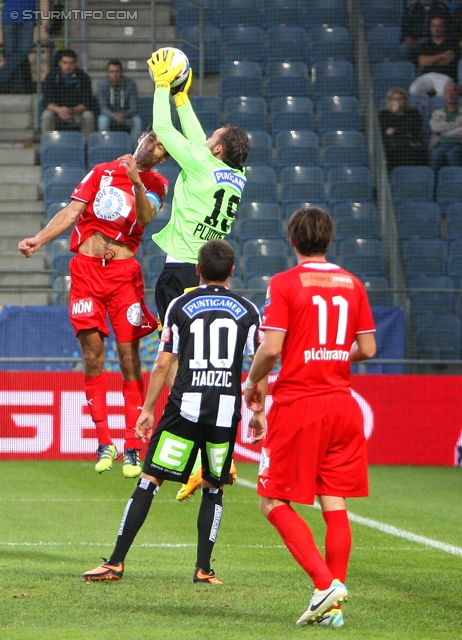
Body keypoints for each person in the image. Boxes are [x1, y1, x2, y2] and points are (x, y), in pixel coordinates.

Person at [82, 239, 266, 584]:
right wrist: (258, 409)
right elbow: (260, 363)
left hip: (184, 407)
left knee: (150, 479)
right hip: (224, 412)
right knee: (214, 486)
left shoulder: (181, 304)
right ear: (232, 271)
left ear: (197, 270)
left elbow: (164, 360)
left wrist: (148, 409)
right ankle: (204, 569)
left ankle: (116, 562)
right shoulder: (249, 310)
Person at [244, 206, 376, 628]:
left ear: (292, 240)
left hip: (301, 404)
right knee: (332, 501)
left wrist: (252, 383)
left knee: (271, 500)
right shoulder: (352, 283)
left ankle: (324, 584)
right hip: (342, 403)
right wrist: (336, 358)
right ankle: (333, 610)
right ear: (329, 240)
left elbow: (269, 348)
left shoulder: (284, 283)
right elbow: (369, 349)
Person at [18, 127, 170, 478]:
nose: (153, 147)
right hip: (86, 272)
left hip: (123, 276)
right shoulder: (101, 172)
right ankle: (104, 441)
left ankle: (134, 445)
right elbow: (72, 212)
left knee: (129, 358)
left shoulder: (158, 184)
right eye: (152, 139)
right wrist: (39, 240)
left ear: (163, 157)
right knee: (91, 353)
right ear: (142, 139)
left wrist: (136, 182)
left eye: (161, 146)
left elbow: (146, 218)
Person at [146, 48, 251, 500]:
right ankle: (214, 459)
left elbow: (165, 132)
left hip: (179, 275)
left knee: (178, 362)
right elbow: (197, 139)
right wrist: (185, 98)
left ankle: (187, 449)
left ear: (220, 148)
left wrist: (161, 89)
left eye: (214, 138)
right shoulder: (233, 175)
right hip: (200, 274)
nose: (207, 140)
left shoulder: (203, 165)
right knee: (202, 364)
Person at [41, 49, 95, 139]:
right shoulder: (51, 77)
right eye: (65, 63)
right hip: (57, 114)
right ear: (60, 63)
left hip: (76, 113)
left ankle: (86, 146)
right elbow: (47, 102)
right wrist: (59, 110)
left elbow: (86, 103)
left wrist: (69, 110)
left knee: (88, 116)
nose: (68, 66)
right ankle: (48, 144)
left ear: (75, 63)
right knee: (47, 115)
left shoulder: (83, 78)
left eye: (70, 63)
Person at [409, 16, 459, 107]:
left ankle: (437, 110)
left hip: (445, 76)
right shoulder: (425, 45)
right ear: (430, 28)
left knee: (443, 94)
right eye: (434, 26)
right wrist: (441, 55)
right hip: (427, 76)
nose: (436, 29)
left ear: (444, 27)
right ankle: (428, 106)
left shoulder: (451, 43)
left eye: (439, 26)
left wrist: (431, 60)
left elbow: (447, 61)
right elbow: (423, 62)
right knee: (414, 90)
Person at [379, 87, 426, 170]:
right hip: (392, 145)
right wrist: (394, 113)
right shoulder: (384, 114)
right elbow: (384, 131)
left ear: (405, 100)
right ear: (390, 101)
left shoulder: (413, 113)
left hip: (409, 143)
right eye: (395, 99)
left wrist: (395, 130)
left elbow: (414, 128)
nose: (398, 102)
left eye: (400, 99)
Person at [97, 59, 142, 138]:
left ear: (121, 72)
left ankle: (135, 147)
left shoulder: (130, 84)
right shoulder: (102, 84)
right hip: (109, 116)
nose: (114, 74)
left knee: (136, 121)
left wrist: (123, 115)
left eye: (117, 71)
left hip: (127, 116)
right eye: (111, 72)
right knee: (102, 121)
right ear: (107, 73)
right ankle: (104, 145)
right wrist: (114, 115)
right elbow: (103, 108)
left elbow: (134, 108)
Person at [0, 0, 37, 94]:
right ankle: (16, 88)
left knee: (24, 51)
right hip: (9, 16)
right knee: (11, 54)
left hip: (28, 16)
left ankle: (3, 77)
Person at [428, 81, 462, 172]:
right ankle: (435, 184)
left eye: (453, 91)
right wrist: (456, 125)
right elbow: (435, 128)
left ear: (458, 95)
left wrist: (444, 132)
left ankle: (458, 183)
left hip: (458, 144)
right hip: (441, 145)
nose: (450, 94)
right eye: (448, 91)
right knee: (436, 155)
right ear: (444, 95)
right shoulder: (437, 113)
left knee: (453, 154)